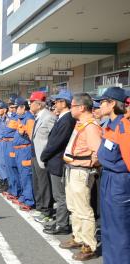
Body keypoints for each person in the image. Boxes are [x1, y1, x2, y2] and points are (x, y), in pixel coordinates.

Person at [59, 93, 102, 261]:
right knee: (74, 206)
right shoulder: (81, 124)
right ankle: (78, 237)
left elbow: (97, 151)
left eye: (73, 106)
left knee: (83, 209)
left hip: (81, 170)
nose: (71, 109)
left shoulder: (91, 126)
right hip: (73, 168)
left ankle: (89, 245)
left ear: (82, 107)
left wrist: (91, 165)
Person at [95, 87, 130, 264]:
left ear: (113, 103)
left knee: (119, 229)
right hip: (108, 178)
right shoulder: (110, 125)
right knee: (107, 227)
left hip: (119, 182)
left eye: (102, 102)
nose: (99, 106)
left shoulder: (124, 126)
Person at [40, 90, 76, 235]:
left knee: (60, 196)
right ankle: (60, 221)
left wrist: (44, 155)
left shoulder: (67, 119)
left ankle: (62, 224)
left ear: (63, 103)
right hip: (55, 160)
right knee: (58, 195)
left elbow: (55, 142)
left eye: (57, 101)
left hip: (58, 161)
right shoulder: (63, 117)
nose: (54, 104)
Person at [29, 91, 57, 223]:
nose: (29, 105)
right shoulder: (38, 116)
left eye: (31, 102)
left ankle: (47, 210)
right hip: (35, 154)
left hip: (43, 156)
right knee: (37, 183)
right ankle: (40, 207)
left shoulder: (49, 117)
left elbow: (53, 139)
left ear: (39, 104)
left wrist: (47, 155)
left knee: (44, 184)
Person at [12, 97, 35, 211]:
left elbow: (31, 137)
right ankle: (24, 196)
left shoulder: (29, 119)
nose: (15, 110)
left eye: (17, 107)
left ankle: (29, 200)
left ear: (23, 107)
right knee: (21, 175)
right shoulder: (21, 118)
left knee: (26, 176)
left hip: (25, 150)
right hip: (19, 150)